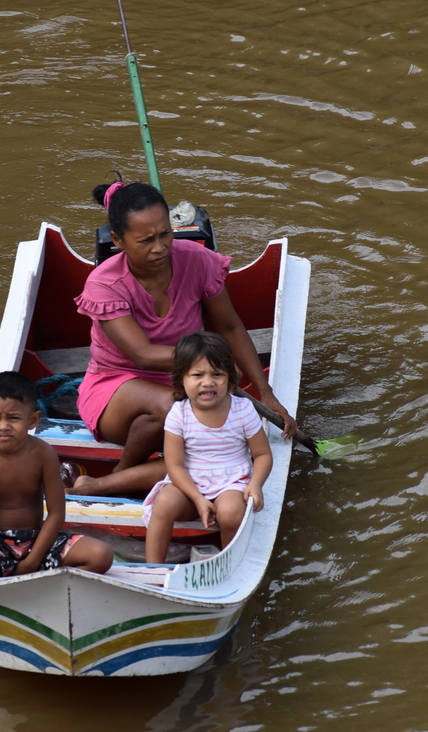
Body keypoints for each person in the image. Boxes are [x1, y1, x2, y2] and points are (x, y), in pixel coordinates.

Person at [72, 179, 296, 496]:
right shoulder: (104, 283)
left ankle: (101, 484)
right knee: (173, 405)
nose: (160, 248)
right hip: (117, 387)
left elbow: (230, 327)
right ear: (118, 240)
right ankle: (123, 473)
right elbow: (143, 355)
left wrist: (265, 391)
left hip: (187, 379)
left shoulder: (196, 259)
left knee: (215, 457)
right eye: (146, 240)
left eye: (165, 234)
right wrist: (210, 365)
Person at [0, 371, 112, 577]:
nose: (3, 426)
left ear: (33, 419)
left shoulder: (44, 454)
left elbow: (56, 514)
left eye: (13, 418)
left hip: (37, 541)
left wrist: (32, 561)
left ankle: (44, 582)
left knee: (101, 555)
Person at [144, 332, 273, 562]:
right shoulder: (179, 414)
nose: (208, 382)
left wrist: (256, 484)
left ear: (230, 378)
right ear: (182, 378)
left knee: (231, 512)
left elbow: (262, 454)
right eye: (197, 374)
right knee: (164, 503)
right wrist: (198, 499)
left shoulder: (242, 410)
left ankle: (228, 565)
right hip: (189, 484)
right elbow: (174, 466)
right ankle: (153, 569)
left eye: (217, 374)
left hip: (231, 483)